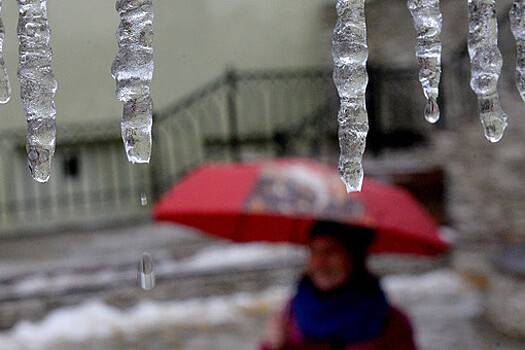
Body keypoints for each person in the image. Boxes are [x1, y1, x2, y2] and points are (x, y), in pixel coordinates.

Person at [260, 220, 417, 350]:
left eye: (331, 252)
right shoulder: (290, 317)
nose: (319, 263)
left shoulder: (391, 323)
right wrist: (274, 346)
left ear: (354, 257)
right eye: (314, 252)